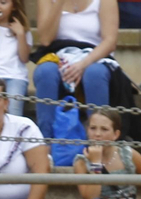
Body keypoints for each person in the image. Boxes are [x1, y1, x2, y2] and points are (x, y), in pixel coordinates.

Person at [30, 0, 118, 136]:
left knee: (94, 74)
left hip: (94, 57)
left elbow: (110, 41)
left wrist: (83, 64)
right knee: (45, 71)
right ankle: (46, 142)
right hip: (59, 55)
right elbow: (45, 39)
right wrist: (58, 4)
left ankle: (97, 143)